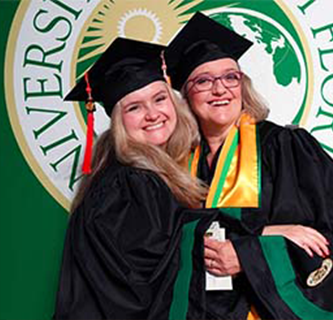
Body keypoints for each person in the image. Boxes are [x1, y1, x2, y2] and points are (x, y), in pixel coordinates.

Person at [164, 12, 333, 320]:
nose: (220, 89)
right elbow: (165, 244)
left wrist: (248, 256)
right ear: (185, 95)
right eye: (203, 81)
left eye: (230, 77)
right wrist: (267, 230)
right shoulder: (178, 165)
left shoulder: (285, 148)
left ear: (242, 84)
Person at [53, 37, 211, 319]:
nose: (153, 114)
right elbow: (156, 270)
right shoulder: (130, 186)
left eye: (160, 99)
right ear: (118, 122)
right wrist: (256, 236)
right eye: (134, 107)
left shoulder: (145, 176)